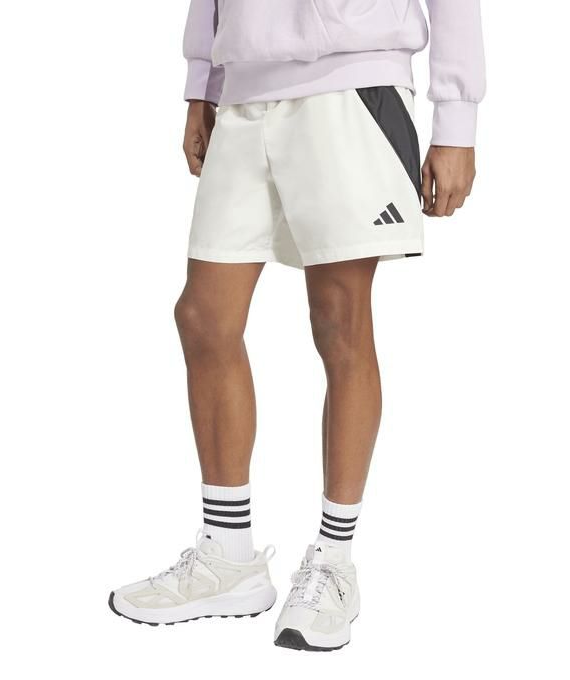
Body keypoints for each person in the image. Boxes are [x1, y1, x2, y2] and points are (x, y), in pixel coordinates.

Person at [109, 0, 485, 651]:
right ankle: (229, 557)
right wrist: (203, 84)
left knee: (340, 321)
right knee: (203, 316)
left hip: (353, 85)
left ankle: (334, 563)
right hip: (244, 88)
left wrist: (457, 121)